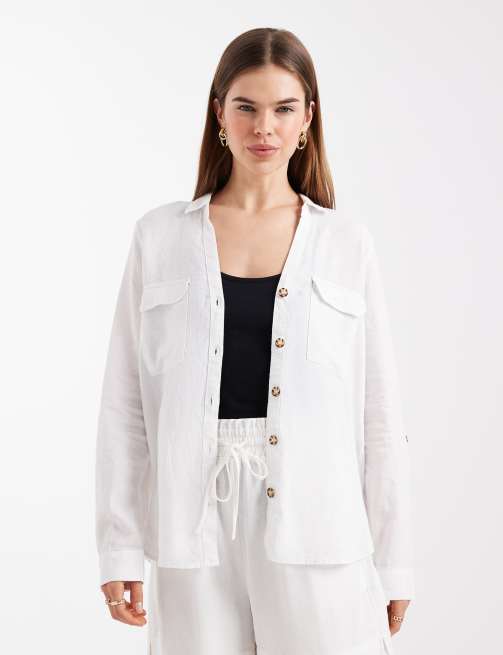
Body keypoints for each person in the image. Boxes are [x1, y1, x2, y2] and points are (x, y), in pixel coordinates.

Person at [95, 27, 415, 655]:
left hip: (319, 523)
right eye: (246, 107)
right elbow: (124, 408)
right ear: (219, 114)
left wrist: (395, 559)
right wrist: (119, 547)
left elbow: (379, 415)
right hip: (191, 525)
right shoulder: (160, 238)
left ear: (307, 119)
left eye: (283, 108)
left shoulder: (346, 244)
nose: (264, 127)